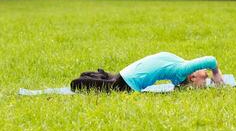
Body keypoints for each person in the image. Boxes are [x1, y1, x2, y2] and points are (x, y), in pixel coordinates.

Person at [70, 52, 224, 92]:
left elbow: (179, 86)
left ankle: (100, 75)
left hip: (129, 71)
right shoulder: (182, 69)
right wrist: (217, 74)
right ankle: (86, 81)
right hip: (133, 82)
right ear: (193, 75)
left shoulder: (179, 69)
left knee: (114, 79)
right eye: (205, 78)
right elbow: (211, 60)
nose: (206, 81)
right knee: (110, 89)